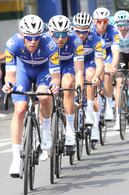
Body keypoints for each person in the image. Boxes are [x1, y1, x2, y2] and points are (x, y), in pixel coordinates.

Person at [3, 15, 60, 178]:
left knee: (43, 95)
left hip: (43, 72)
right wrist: (9, 85)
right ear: (22, 35)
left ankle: (46, 128)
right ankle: (16, 159)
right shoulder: (12, 43)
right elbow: (10, 74)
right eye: (29, 37)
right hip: (23, 72)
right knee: (20, 109)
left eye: (37, 37)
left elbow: (56, 75)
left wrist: (54, 85)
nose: (33, 41)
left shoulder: (50, 44)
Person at [47, 15, 85, 147]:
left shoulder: (76, 42)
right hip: (49, 68)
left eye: (63, 34)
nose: (60, 38)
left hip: (67, 66)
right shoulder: (45, 40)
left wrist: (78, 92)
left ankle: (70, 129)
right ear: (50, 32)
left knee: (68, 83)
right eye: (56, 34)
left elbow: (79, 71)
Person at [72, 12, 105, 141]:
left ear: (89, 30)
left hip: (89, 63)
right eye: (78, 32)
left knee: (91, 75)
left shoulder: (96, 40)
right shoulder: (69, 38)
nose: (81, 35)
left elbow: (100, 64)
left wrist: (97, 76)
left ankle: (92, 117)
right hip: (74, 63)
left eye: (84, 32)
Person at [92, 7, 120, 121]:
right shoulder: (90, 31)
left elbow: (116, 52)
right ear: (95, 21)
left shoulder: (113, 31)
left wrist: (113, 66)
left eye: (105, 21)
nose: (102, 24)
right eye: (99, 21)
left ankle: (109, 104)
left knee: (107, 72)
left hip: (108, 55)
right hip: (95, 56)